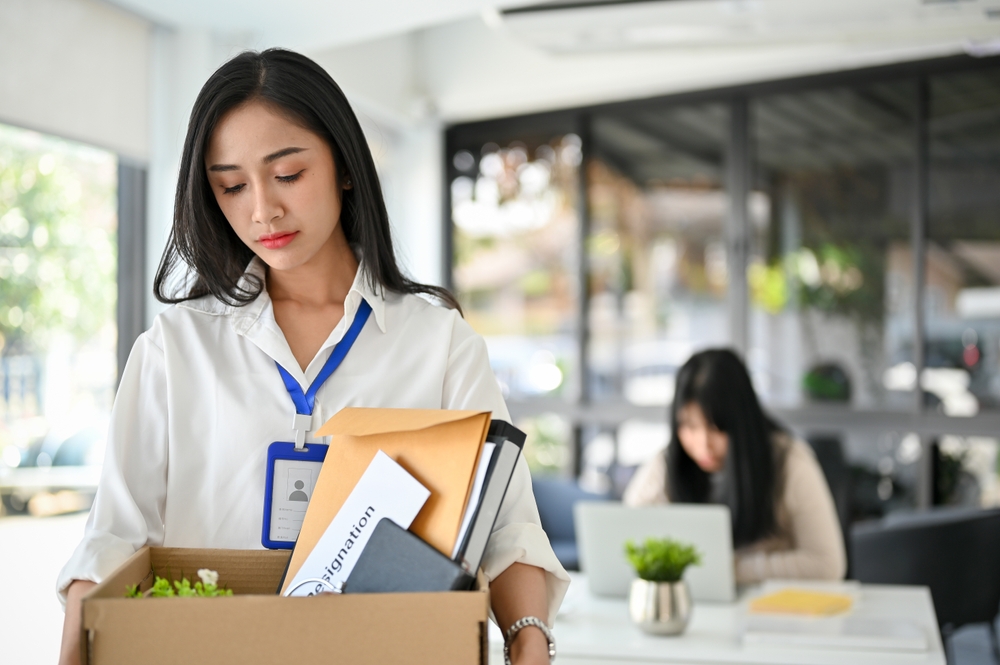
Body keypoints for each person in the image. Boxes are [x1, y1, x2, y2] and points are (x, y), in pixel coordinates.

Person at [57, 49, 566, 665]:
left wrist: (529, 640)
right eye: (232, 185)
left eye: (288, 175)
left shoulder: (439, 345)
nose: (262, 209)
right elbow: (113, 537)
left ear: (344, 167)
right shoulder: (174, 348)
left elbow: (506, 532)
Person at [623, 349, 846, 584]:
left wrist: (728, 569)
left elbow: (828, 565)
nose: (703, 444)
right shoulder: (669, 462)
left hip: (770, 612)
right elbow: (624, 536)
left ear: (742, 423)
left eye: (716, 427)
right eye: (689, 426)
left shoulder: (789, 461)